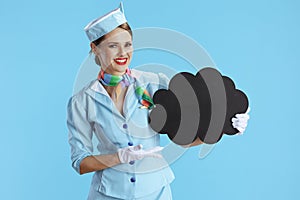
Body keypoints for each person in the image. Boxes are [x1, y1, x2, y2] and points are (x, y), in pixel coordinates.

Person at [67, 3, 249, 200]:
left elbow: (187, 136)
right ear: (95, 48)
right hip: (108, 194)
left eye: (128, 44)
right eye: (113, 45)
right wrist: (119, 157)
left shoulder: (155, 83)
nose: (123, 53)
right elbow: (80, 162)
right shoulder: (82, 101)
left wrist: (226, 123)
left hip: (155, 192)